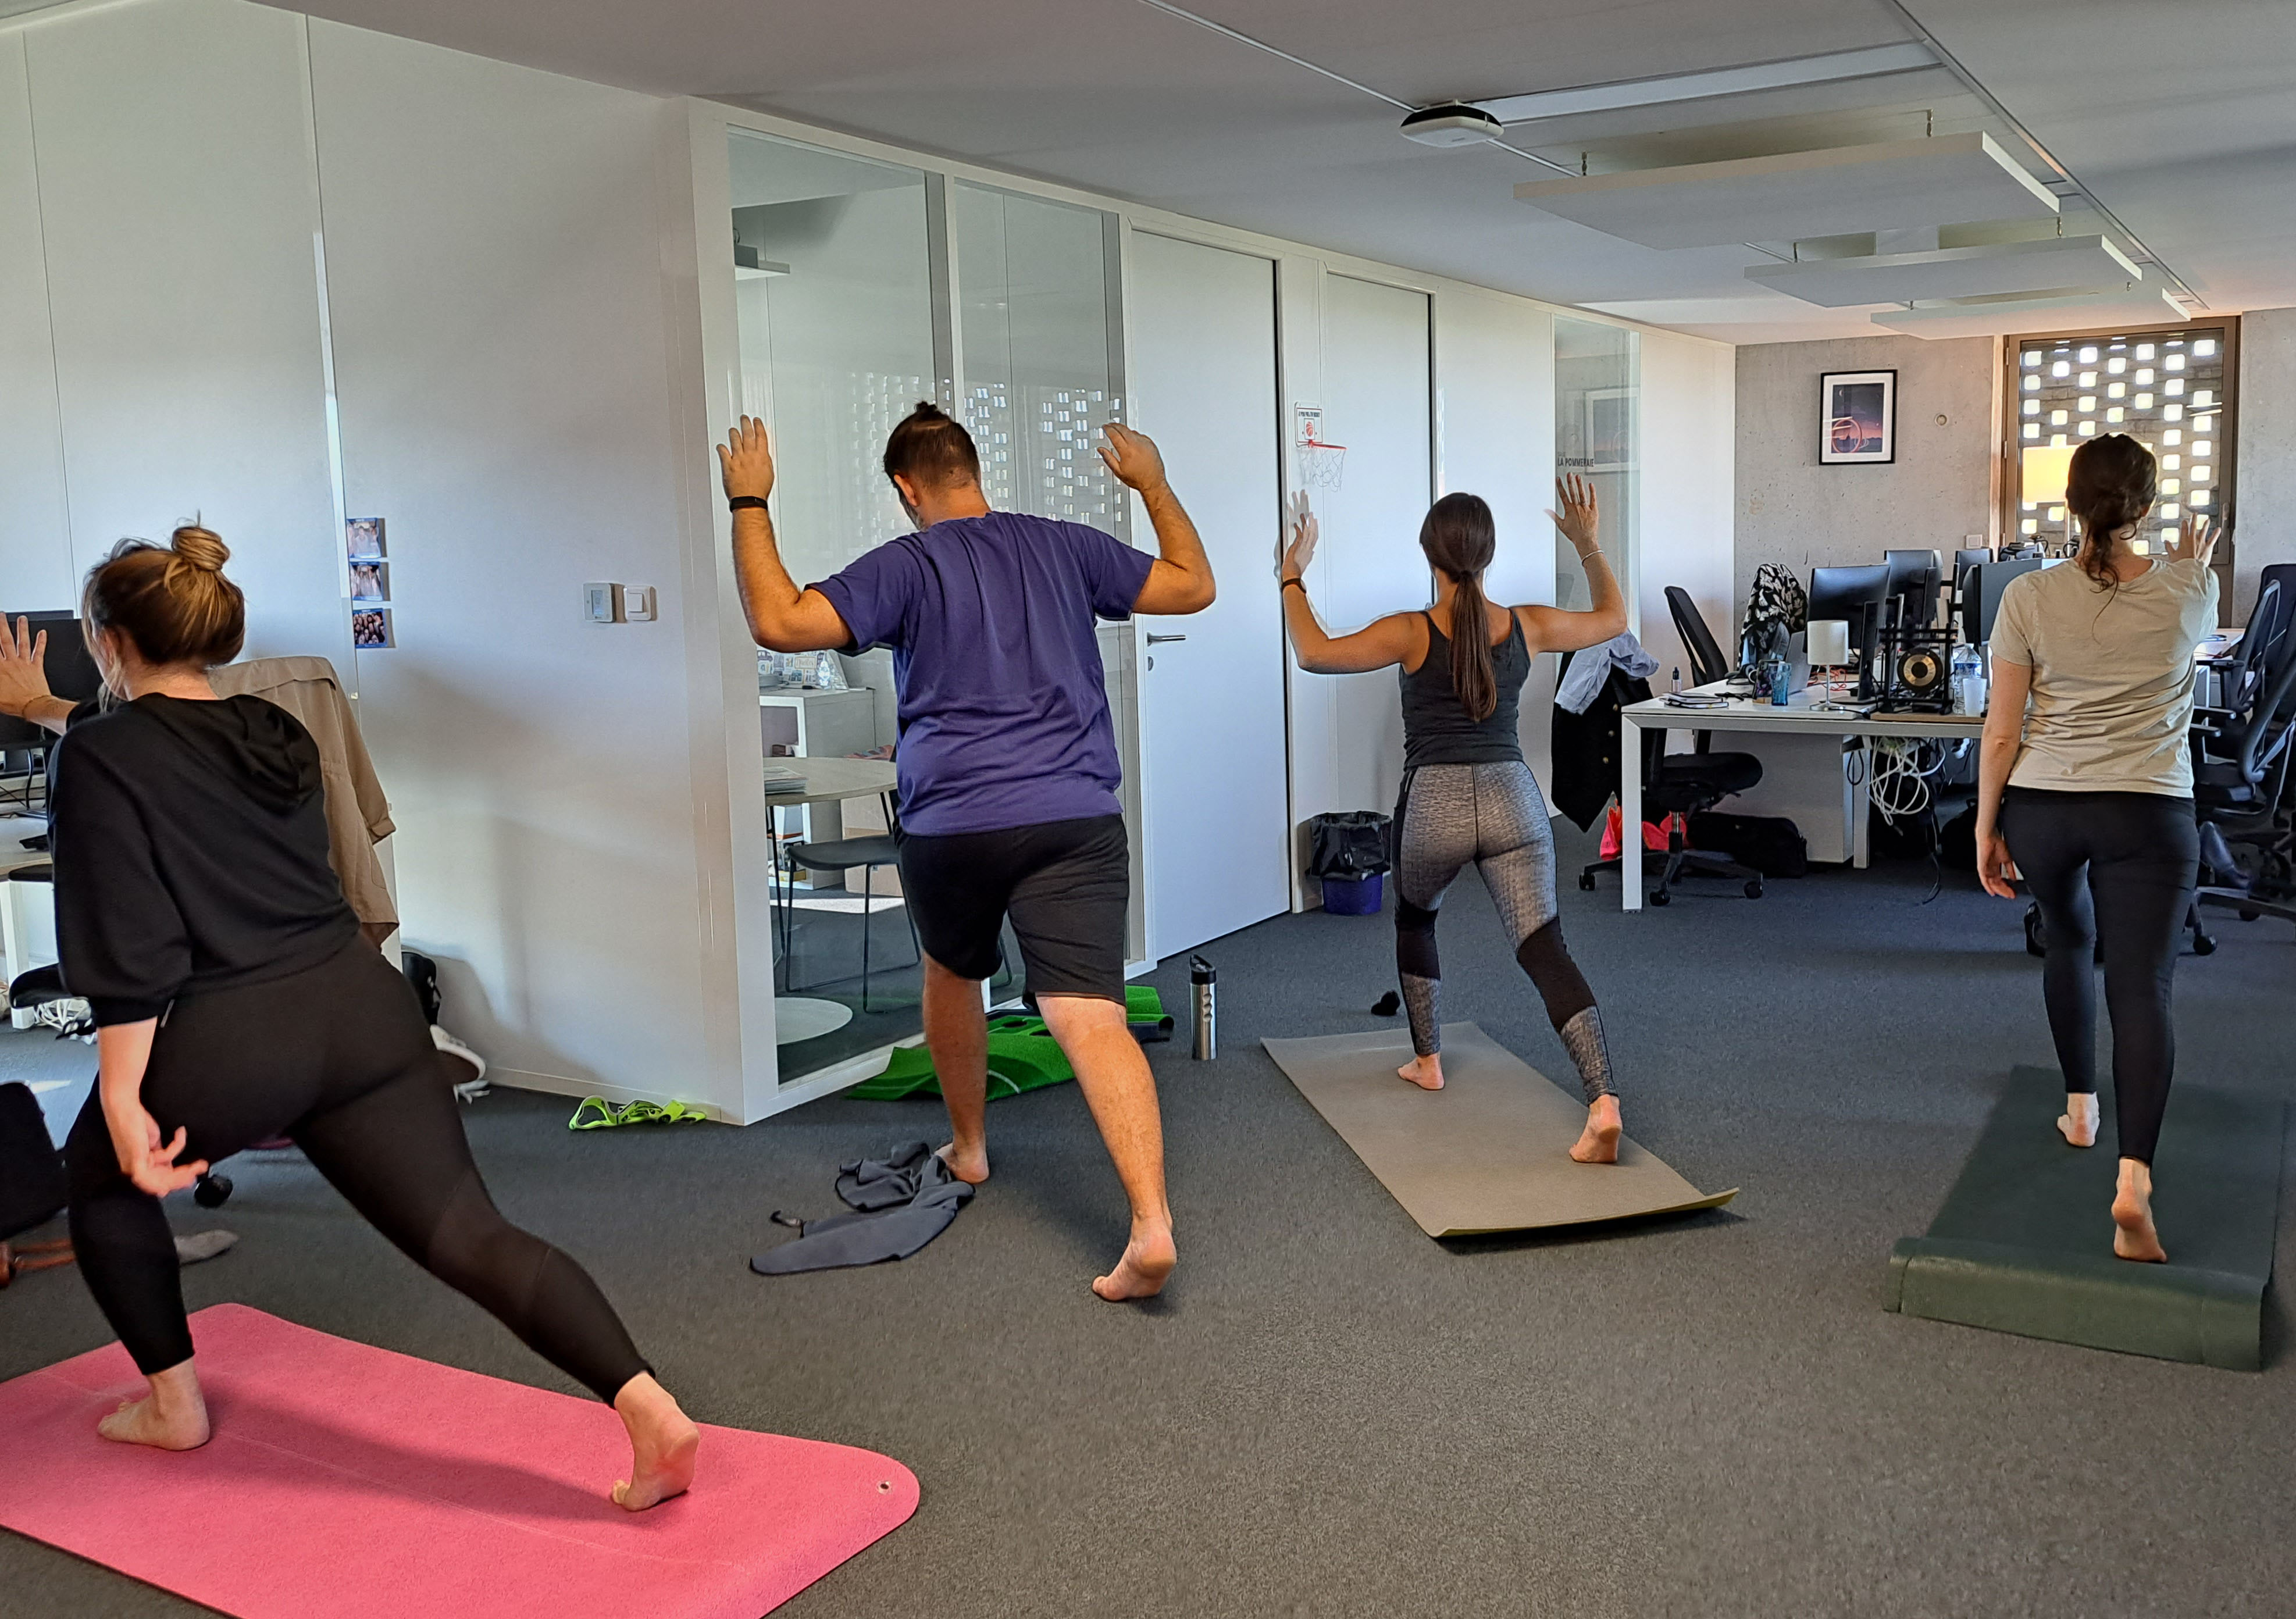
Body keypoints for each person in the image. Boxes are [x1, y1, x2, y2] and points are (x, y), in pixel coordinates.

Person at [34, 527, 697, 1509]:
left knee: (98, 1176)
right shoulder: (278, 734)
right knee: (470, 1230)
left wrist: (123, 1093)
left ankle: (173, 1403)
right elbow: (175, 757)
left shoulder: (98, 753)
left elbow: (130, 944)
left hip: (237, 1033)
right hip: (363, 1010)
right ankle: (648, 1404)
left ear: (109, 640)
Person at [719, 405, 1215, 1300]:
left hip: (956, 823)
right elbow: (1192, 586)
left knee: (953, 974)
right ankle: (1151, 1224)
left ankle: (973, 1150)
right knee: (1089, 1016)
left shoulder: (907, 565)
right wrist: (1151, 483)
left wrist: (750, 502)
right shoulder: (1067, 547)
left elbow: (780, 622)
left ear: (907, 489)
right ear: (973, 470)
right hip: (1073, 814)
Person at [1280, 477, 1631, 1162]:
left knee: (1415, 919)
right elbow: (1613, 620)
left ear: (1429, 556)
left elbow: (1314, 652)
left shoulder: (1411, 631)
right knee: (1544, 947)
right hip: (1515, 802)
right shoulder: (1527, 624)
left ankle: (1429, 1061)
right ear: (1488, 556)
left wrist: (1292, 576)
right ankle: (1603, 1102)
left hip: (1434, 805)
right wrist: (1587, 546)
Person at [1975, 433, 2222, 1264]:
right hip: (2148, 813)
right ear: (2145, 507)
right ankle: (2133, 1182)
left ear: (2071, 506)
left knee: (2069, 941)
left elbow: (2002, 730)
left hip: (2045, 807)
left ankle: (2081, 1110)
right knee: (2144, 986)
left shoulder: (2027, 596)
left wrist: (1985, 824)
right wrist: (2192, 558)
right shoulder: (2193, 587)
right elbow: (2185, 606)